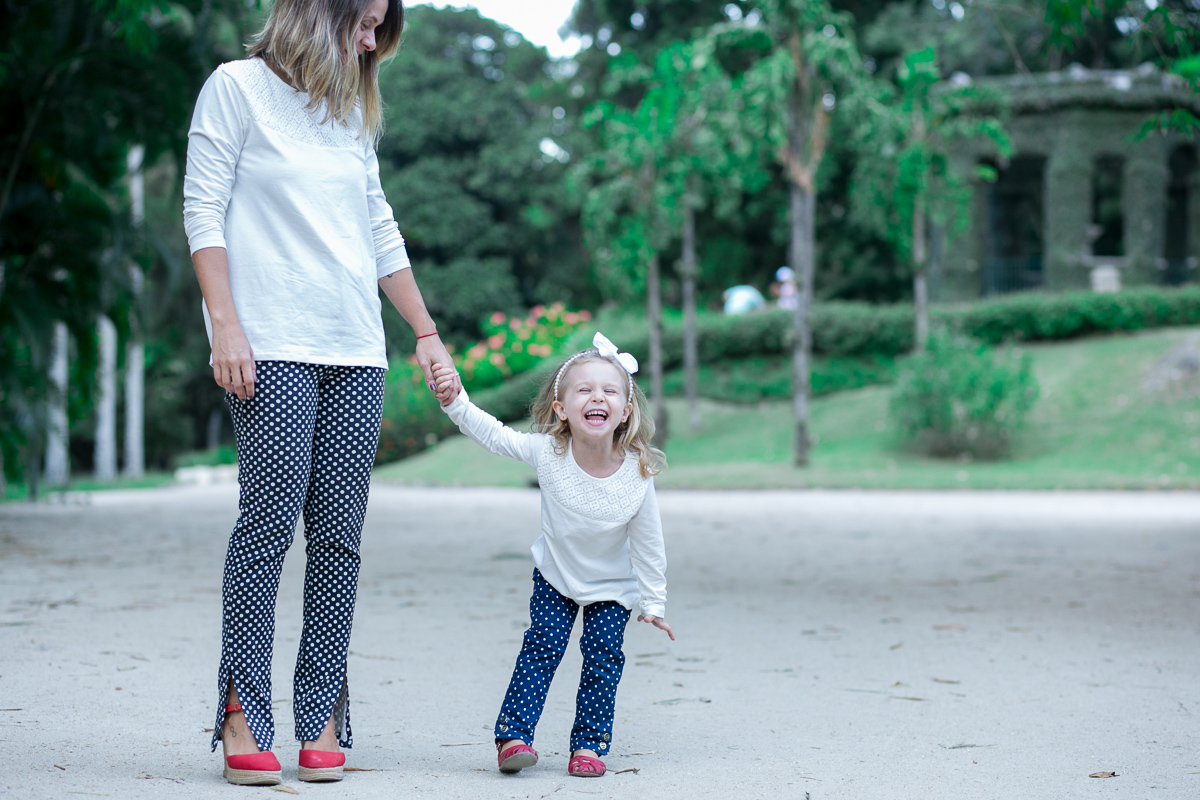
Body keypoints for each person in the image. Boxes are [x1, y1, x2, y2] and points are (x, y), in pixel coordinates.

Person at [182, 0, 459, 786]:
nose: (371, 42)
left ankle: (322, 714)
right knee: (268, 524)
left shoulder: (348, 114)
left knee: (339, 538)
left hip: (355, 350)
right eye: (364, 23)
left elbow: (379, 227)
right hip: (270, 344)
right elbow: (202, 210)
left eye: (378, 28)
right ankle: (242, 712)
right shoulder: (235, 88)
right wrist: (225, 325)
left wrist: (426, 332)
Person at [429, 332, 674, 779]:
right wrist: (455, 402)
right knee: (541, 648)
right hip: (556, 576)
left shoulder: (637, 474)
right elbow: (496, 436)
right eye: (584, 390)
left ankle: (589, 745)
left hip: (612, 588)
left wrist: (654, 601)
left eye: (609, 391)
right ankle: (514, 738)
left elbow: (648, 543)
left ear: (625, 411)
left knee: (603, 658)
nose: (597, 397)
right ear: (561, 409)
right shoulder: (548, 452)